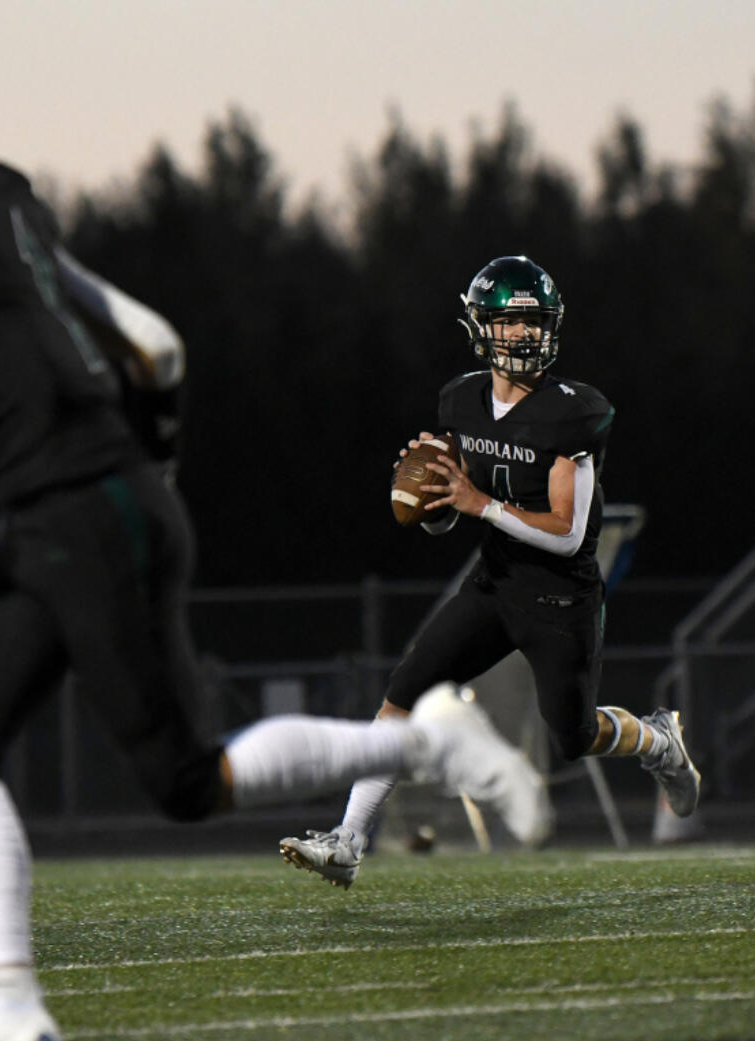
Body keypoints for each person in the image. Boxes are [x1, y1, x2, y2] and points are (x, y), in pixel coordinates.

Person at [0, 30, 530, 1041]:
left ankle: (425, 741)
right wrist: (144, 471)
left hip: (70, 513)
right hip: (80, 509)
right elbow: (157, 344)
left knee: (182, 778)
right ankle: (8, 1004)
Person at [280, 255, 701, 888]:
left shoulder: (573, 412)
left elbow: (568, 535)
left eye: (534, 323)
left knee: (573, 736)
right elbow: (452, 515)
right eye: (509, 323)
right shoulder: (462, 400)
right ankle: (348, 842)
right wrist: (431, 506)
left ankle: (658, 741)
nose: (524, 336)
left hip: (561, 600)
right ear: (481, 326)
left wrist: (481, 504)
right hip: (494, 583)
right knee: (405, 691)